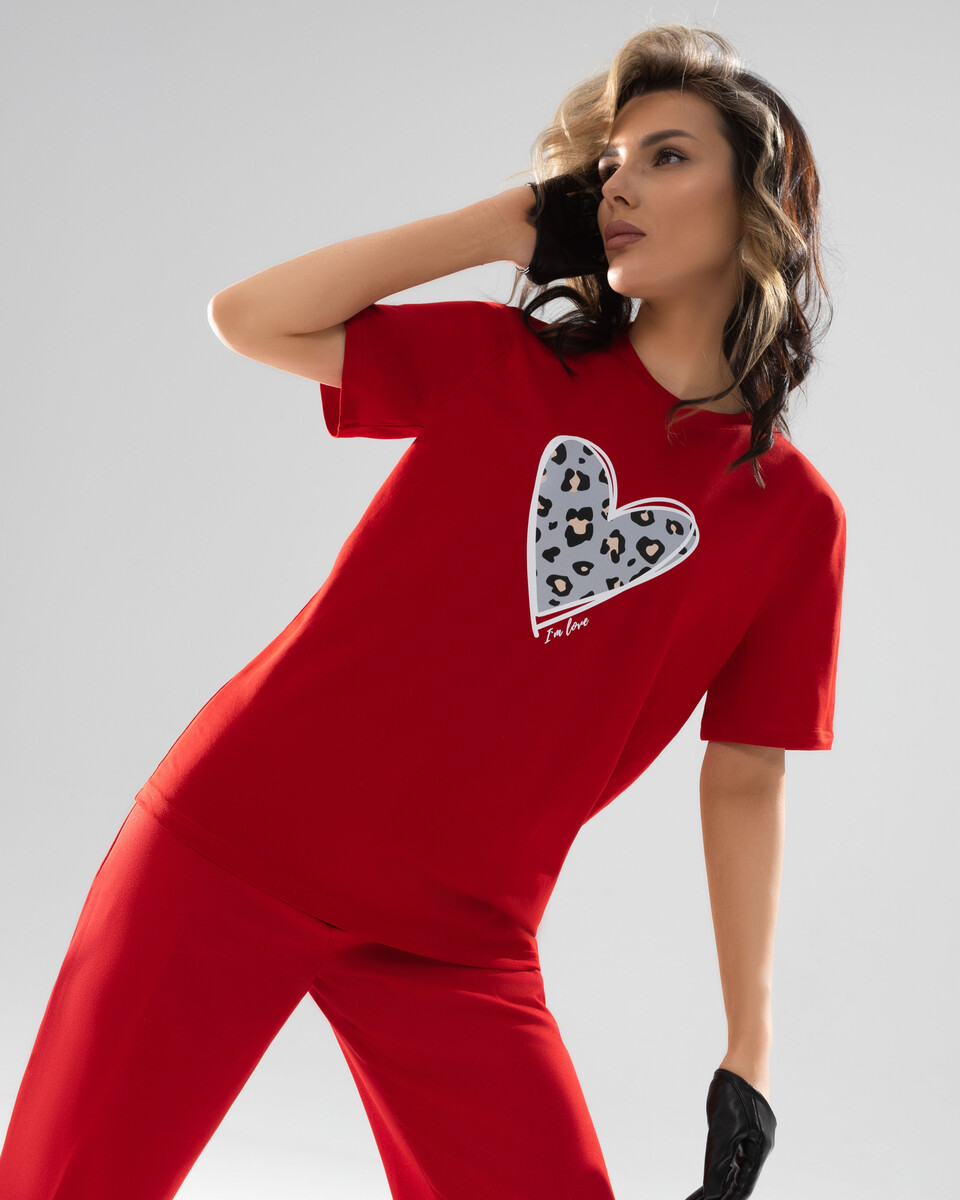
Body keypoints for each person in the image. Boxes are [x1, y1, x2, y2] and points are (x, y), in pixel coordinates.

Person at [0, 23, 845, 1200]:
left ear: (765, 201)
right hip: (233, 843)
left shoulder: (793, 517)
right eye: (607, 165)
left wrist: (748, 1051)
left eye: (666, 157)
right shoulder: (507, 363)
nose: (618, 187)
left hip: (459, 940)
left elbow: (747, 773)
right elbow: (251, 317)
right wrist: (502, 226)